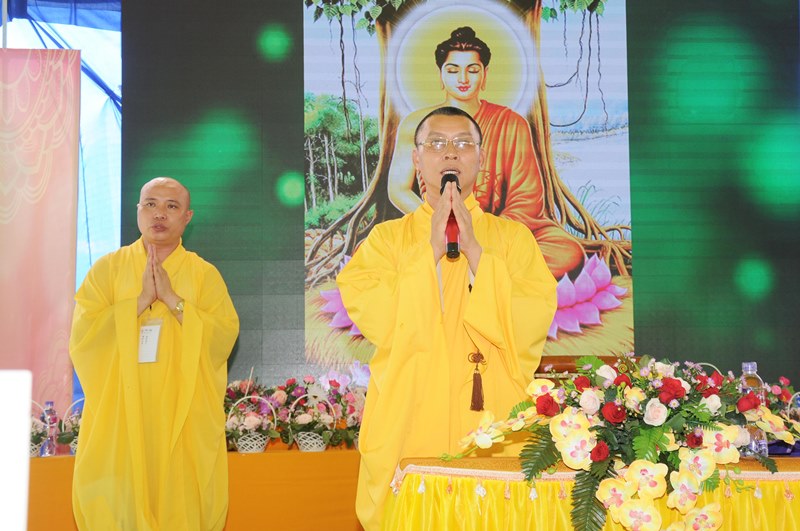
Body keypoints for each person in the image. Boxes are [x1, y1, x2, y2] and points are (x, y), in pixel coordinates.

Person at [337, 107, 557, 530]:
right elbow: (376, 313)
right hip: (413, 409)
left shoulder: (513, 239)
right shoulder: (386, 240)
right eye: (436, 143)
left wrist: (475, 252)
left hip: (493, 414)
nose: (450, 153)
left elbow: (532, 313)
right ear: (416, 159)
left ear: (480, 158)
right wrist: (430, 253)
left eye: (463, 143)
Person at [69, 177, 239, 530]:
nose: (159, 213)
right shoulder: (107, 270)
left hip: (181, 413)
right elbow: (83, 337)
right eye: (150, 204)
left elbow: (223, 335)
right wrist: (139, 301)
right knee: (118, 503)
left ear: (187, 217)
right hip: (121, 414)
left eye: (171, 206)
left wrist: (174, 301)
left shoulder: (204, 275)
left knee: (182, 501)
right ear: (138, 211)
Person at [388, 26, 584, 279]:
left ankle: (461, 276)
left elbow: (526, 201)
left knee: (566, 251)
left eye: (472, 70)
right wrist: (439, 225)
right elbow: (398, 189)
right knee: (381, 249)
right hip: (432, 229)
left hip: (498, 233)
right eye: (453, 70)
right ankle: (487, 277)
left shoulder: (511, 124)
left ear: (485, 74)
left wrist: (479, 233)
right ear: (440, 74)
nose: (463, 79)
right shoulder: (416, 123)